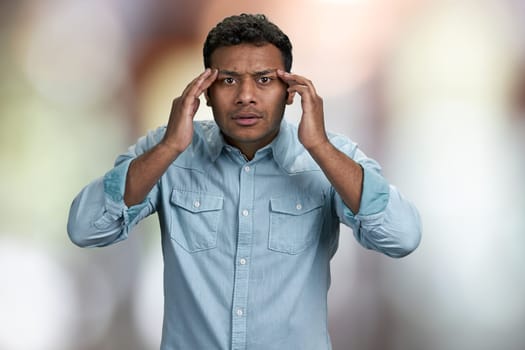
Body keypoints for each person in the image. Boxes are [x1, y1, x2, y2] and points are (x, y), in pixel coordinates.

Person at [67, 13, 421, 350]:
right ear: (204, 91)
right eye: (228, 80)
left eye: (264, 79)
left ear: (289, 91)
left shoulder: (329, 157)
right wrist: (171, 147)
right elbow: (86, 228)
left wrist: (319, 146)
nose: (245, 96)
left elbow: (401, 236)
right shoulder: (167, 151)